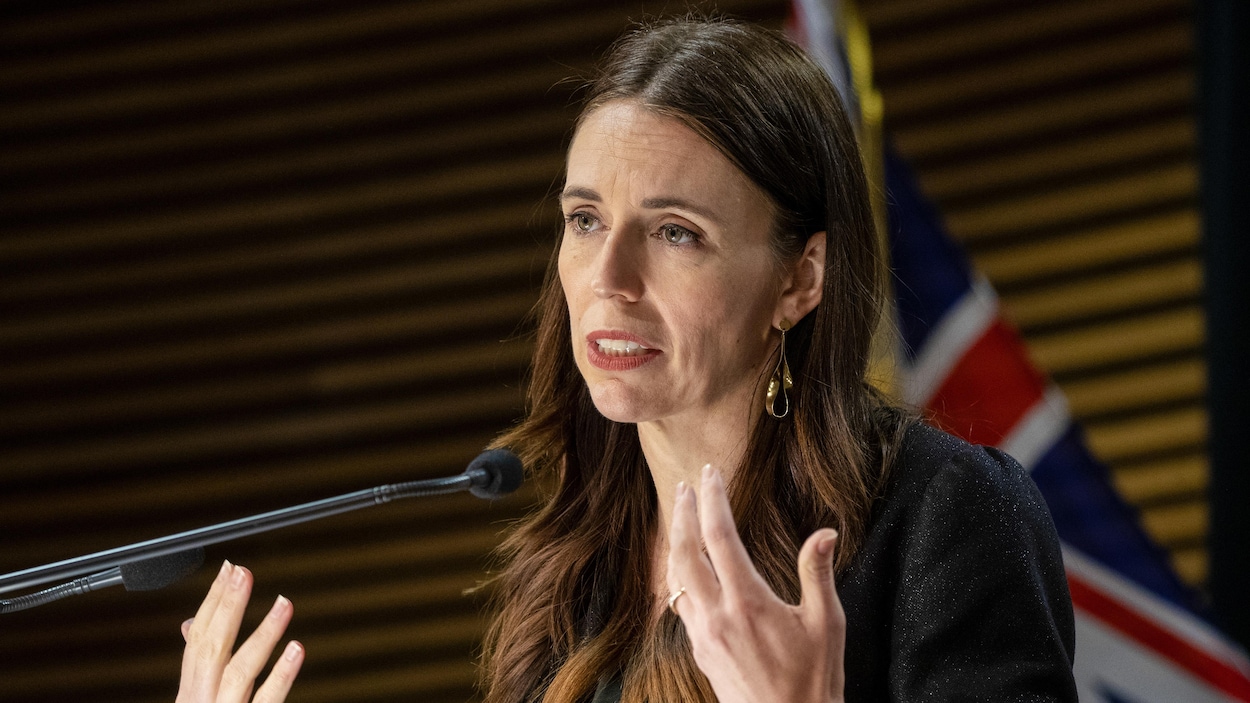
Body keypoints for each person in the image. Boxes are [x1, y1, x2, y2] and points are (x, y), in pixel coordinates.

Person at [175, 17, 1077, 703]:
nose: (609, 278)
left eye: (676, 232)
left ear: (801, 278)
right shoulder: (569, 571)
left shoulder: (943, 517)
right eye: (585, 220)